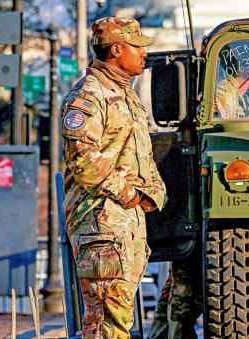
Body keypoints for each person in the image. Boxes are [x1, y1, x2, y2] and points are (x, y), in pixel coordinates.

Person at [62, 17, 167, 339]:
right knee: (110, 316)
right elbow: (83, 159)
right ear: (117, 49)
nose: (144, 53)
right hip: (101, 220)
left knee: (112, 317)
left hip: (122, 221)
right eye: (138, 46)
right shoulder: (89, 96)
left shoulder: (124, 93)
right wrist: (128, 194)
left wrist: (153, 191)